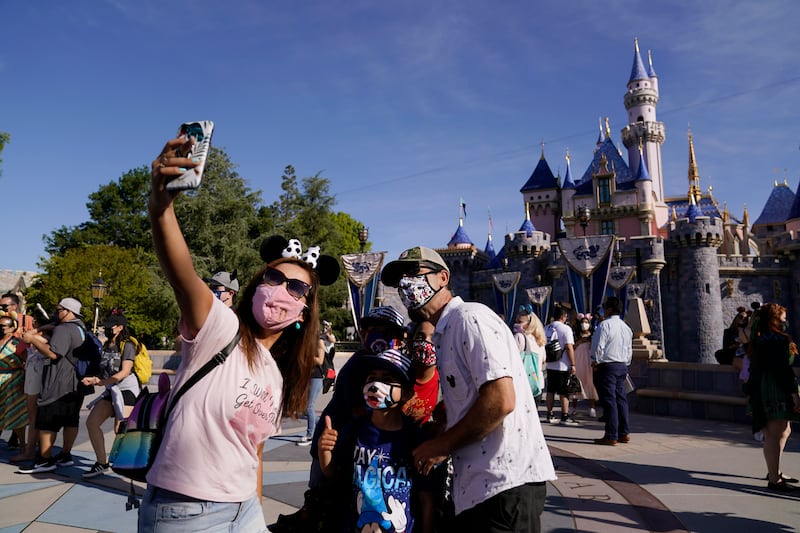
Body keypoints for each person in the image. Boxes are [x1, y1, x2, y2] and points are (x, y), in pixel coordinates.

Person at [139, 136, 340, 531]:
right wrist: (161, 206)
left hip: (244, 508)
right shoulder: (220, 327)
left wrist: (258, 512)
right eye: (274, 277)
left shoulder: (279, 372)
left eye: (296, 288)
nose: (281, 290)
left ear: (305, 310)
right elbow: (182, 274)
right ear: (257, 282)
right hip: (186, 510)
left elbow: (255, 451)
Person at [382, 246, 556, 532]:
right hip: (481, 486)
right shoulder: (444, 332)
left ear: (443, 277)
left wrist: (443, 444)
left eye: (414, 273)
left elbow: (501, 399)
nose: (405, 284)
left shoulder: (469, 318)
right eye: (400, 278)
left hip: (504, 483)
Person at [272, 306, 407, 532]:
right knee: (326, 500)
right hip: (336, 443)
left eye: (386, 331)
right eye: (372, 330)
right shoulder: (361, 365)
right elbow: (360, 410)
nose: (376, 335)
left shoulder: (391, 363)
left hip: (361, 450)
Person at [318, 348, 435, 532]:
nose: (375, 385)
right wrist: (324, 450)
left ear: (405, 393)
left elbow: (425, 495)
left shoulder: (415, 438)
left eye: (387, 380)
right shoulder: (354, 430)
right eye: (371, 378)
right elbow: (332, 473)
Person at [18, 297, 85, 473]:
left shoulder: (64, 329)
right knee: (71, 420)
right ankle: (65, 455)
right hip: (75, 383)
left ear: (69, 311)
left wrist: (32, 340)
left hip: (59, 382)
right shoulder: (80, 327)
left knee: (48, 421)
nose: (56, 313)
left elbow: (54, 354)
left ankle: (44, 460)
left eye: (59, 310)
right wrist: (40, 330)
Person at [81, 313, 142, 478]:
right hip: (111, 388)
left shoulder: (127, 345)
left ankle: (132, 463)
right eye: (106, 325)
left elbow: (125, 371)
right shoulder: (106, 344)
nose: (108, 328)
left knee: (120, 428)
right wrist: (95, 379)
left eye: (111, 326)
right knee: (92, 422)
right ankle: (102, 462)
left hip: (127, 389)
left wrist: (102, 382)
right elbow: (104, 370)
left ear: (120, 327)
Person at [747, 303, 800, 492]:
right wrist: (794, 393)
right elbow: (782, 369)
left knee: (783, 431)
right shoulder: (775, 339)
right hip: (774, 388)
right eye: (783, 319)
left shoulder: (760, 337)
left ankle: (774, 471)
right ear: (775, 320)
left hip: (764, 385)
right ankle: (774, 479)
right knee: (775, 432)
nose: (786, 322)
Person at [590, 296, 633, 446]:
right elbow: (629, 348)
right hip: (622, 364)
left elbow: (598, 345)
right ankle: (624, 432)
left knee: (609, 400)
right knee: (621, 398)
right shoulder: (626, 327)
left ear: (608, 309)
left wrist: (594, 360)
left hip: (607, 365)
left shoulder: (604, 325)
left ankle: (611, 434)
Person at [544, 305, 580, 426]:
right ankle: (564, 416)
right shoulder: (566, 329)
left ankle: (550, 414)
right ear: (564, 317)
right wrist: (573, 364)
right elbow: (569, 347)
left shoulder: (546, 328)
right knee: (564, 391)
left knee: (550, 390)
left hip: (550, 364)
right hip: (562, 365)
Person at [0, 315, 28, 456]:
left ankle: (23, 446)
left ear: (12, 328)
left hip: (13, 381)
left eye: (3, 326)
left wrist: (24, 381)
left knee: (15, 415)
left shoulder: (18, 343)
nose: (0, 329)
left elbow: (26, 363)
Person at [402, 320, 439, 425]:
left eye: (433, 338)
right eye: (420, 337)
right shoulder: (397, 376)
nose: (426, 342)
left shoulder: (446, 382)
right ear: (410, 344)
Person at [297, 323, 328, 446]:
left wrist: (307, 355)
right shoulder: (306, 343)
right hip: (307, 377)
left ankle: (310, 435)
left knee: (310, 407)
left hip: (316, 377)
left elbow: (320, 360)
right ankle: (322, 423)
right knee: (305, 409)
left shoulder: (319, 342)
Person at [571, 312, 598, 418]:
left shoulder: (593, 335)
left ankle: (592, 407)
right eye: (583, 322)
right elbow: (572, 347)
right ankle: (573, 406)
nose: (584, 324)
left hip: (588, 361)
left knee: (590, 382)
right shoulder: (576, 335)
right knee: (577, 382)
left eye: (586, 322)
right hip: (578, 360)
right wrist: (581, 341)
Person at [521, 309, 547, 405]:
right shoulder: (540, 340)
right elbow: (544, 360)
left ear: (529, 324)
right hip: (537, 382)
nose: (517, 324)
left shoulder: (520, 337)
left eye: (520, 322)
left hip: (524, 382)